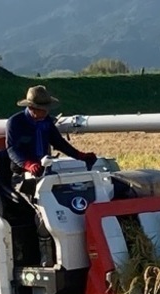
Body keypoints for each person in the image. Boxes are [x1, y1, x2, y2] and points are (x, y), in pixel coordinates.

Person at [6, 85, 97, 267]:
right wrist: (28, 165)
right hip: (22, 177)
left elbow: (59, 143)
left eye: (47, 110)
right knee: (43, 209)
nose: (46, 113)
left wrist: (80, 156)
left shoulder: (47, 122)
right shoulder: (15, 123)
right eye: (42, 110)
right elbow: (12, 149)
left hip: (46, 173)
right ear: (31, 109)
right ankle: (46, 256)